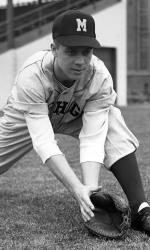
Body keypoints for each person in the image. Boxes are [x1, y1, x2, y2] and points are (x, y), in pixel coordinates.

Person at [0, 9, 150, 235]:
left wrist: (89, 193)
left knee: (112, 119)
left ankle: (140, 209)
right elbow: (44, 141)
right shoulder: (33, 74)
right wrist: (75, 188)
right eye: (71, 51)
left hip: (73, 115)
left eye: (87, 51)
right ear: (54, 49)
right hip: (25, 119)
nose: (80, 61)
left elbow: (93, 138)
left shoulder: (98, 75)